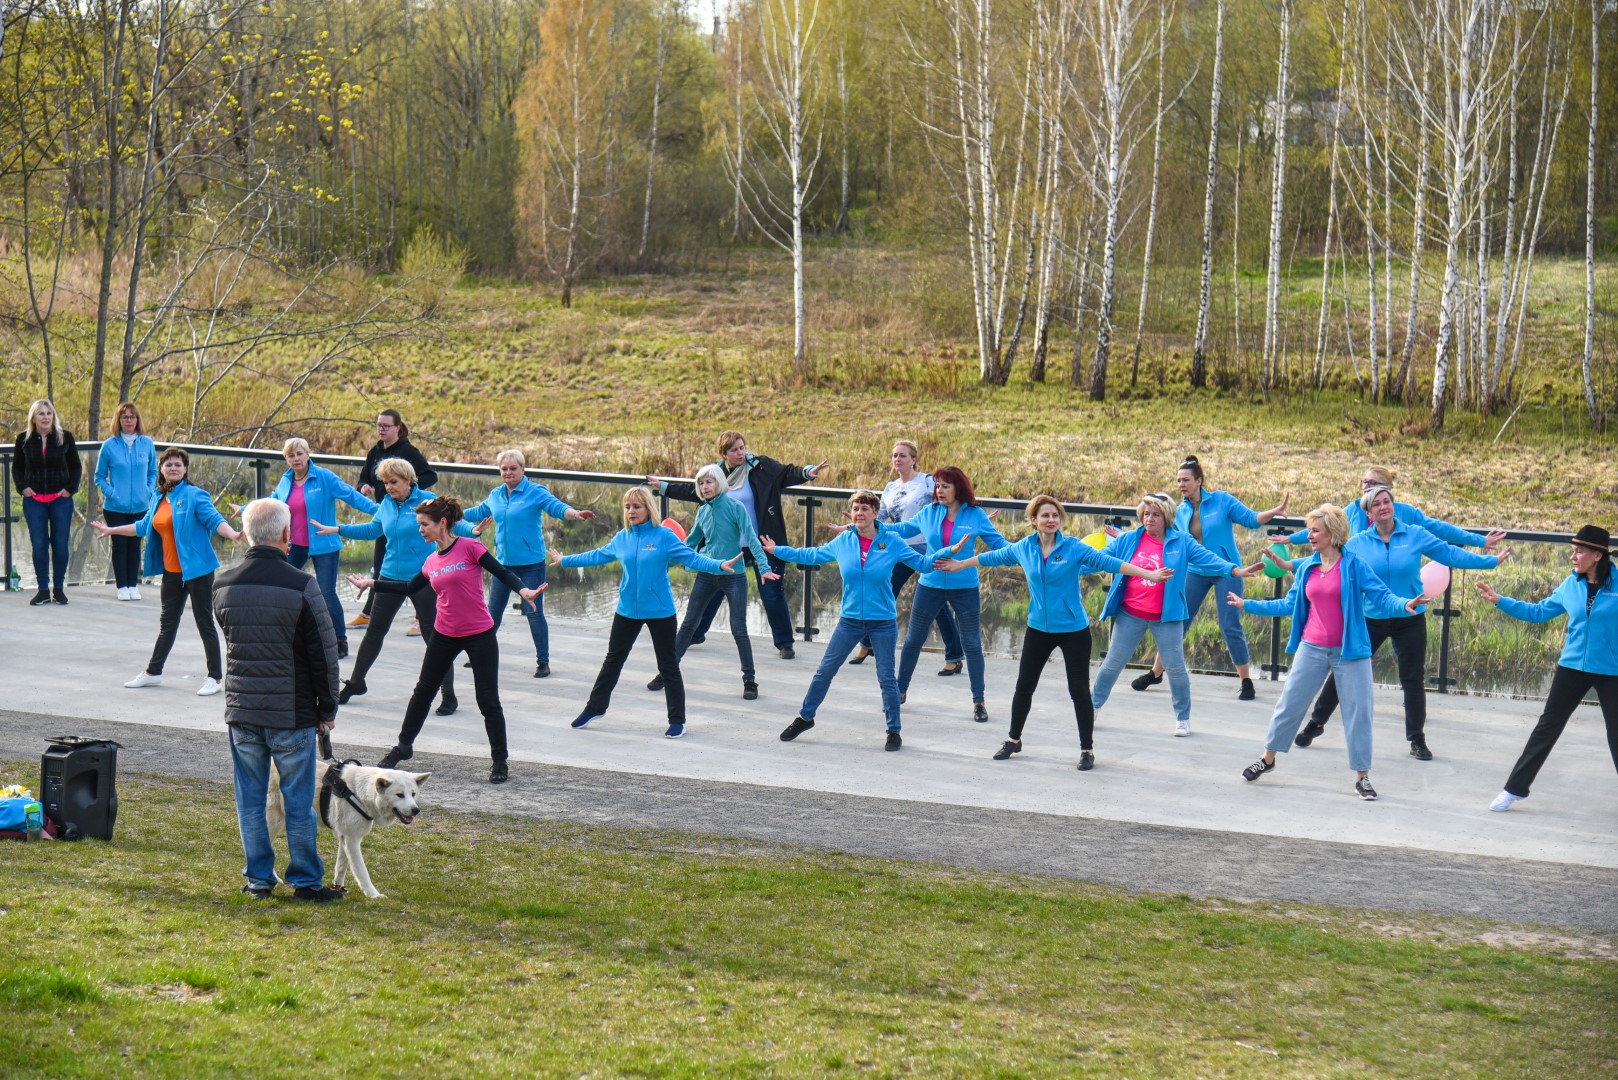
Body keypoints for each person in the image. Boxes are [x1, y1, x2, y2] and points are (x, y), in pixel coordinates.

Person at [935, 495, 1172, 769]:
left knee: (1079, 691)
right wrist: (959, 564)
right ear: (1033, 520)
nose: (1051, 520)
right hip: (1038, 629)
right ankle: (1013, 740)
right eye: (1045, 515)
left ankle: (1087, 749)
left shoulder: (1073, 547)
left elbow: (1110, 563)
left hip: (1073, 630)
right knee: (1024, 687)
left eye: (1055, 515)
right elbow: (991, 557)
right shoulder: (1024, 547)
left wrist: (1149, 574)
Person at [1294, 484, 1509, 761]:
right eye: (1377, 504)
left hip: (1410, 618)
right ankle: (1316, 723)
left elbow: (1450, 554)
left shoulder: (1415, 534)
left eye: (1387, 501)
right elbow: (1326, 556)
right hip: (1371, 618)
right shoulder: (1358, 543)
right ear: (1369, 513)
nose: (1383, 507)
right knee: (1344, 669)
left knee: (1413, 678)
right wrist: (1291, 565)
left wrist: (1490, 561)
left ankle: (1417, 739)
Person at [1226, 504, 1423, 802]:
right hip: (1312, 647)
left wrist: (1404, 604)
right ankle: (1267, 759)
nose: (1310, 535)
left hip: (1350, 652)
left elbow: (1382, 596)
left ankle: (1362, 777)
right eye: (1310, 530)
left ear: (1333, 533)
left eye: (1315, 530)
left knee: (1358, 713)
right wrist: (1247, 604)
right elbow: (1288, 604)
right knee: (1289, 704)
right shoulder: (1307, 567)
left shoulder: (1354, 565)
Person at [351, 497, 544, 783]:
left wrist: (523, 590)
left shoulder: (470, 547)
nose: (420, 530)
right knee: (422, 693)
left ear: (442, 523)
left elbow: (502, 572)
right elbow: (408, 587)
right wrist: (372, 583)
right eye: (419, 525)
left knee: (488, 700)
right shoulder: (431, 561)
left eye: (424, 525)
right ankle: (403, 747)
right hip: (444, 634)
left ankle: (499, 760)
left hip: (479, 634)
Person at [212, 498, 344, 902]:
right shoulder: (302, 584)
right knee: (298, 801)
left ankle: (258, 879)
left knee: (250, 800)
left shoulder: (222, 583)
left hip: (242, 709)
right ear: (287, 534)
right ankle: (305, 881)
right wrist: (328, 708)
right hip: (291, 711)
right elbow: (324, 654)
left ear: (246, 533)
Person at [554, 486, 740, 738]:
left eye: (636, 506)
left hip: (660, 611)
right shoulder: (623, 538)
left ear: (648, 508)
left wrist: (718, 564)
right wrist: (566, 560)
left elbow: (692, 558)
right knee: (612, 661)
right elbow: (598, 555)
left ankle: (677, 721)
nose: (631, 511)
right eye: (627, 507)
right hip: (627, 611)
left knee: (668, 665)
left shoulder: (664, 536)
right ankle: (595, 708)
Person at [768, 491, 928, 751]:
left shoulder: (892, 541)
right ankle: (805, 717)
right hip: (850, 621)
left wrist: (952, 553)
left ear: (875, 513)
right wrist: (778, 551)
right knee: (825, 670)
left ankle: (893, 731)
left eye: (865, 509)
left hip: (883, 622)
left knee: (887, 678)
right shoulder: (843, 541)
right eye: (855, 509)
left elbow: (923, 563)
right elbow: (811, 555)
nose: (859, 513)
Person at [1090, 494, 1260, 737]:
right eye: (1146, 514)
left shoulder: (1182, 541)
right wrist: (1069, 563)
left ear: (1167, 517)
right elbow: (1099, 558)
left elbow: (1208, 559)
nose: (1149, 519)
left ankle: (1182, 718)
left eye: (1155, 515)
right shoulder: (1129, 539)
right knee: (1113, 663)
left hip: (1166, 617)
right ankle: (1092, 707)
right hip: (1131, 614)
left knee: (1176, 668)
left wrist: (1234, 570)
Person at [649, 430, 829, 659]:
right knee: (714, 588)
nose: (741, 453)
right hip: (729, 546)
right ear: (723, 454)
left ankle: (785, 643)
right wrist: (664, 486)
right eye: (734, 450)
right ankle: (696, 633)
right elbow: (695, 491)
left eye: (742, 448)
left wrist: (808, 472)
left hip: (763, 542)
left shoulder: (761, 467)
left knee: (772, 592)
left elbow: (786, 473)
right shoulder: (716, 475)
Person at [1478, 525, 1618, 813]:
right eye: (1572, 551)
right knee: (1547, 728)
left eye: (1579, 552)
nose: (1573, 557)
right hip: (1572, 666)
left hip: (1611, 670)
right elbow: (1538, 612)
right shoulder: (1570, 585)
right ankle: (1514, 789)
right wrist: (1500, 601)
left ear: (1597, 555)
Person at [1132, 455, 1288, 700]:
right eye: (1178, 480)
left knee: (1229, 624)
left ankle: (1246, 680)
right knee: (1178, 621)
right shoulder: (1179, 511)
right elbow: (1160, 533)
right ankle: (1156, 672)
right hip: (1195, 571)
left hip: (1227, 570)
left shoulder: (1222, 501)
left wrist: (1274, 511)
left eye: (1186, 480)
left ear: (1199, 481)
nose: (1181, 485)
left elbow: (1251, 519)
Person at [93, 447, 243, 696]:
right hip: (171, 572)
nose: (173, 468)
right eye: (169, 464)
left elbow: (214, 520)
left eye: (178, 465)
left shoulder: (195, 495)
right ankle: (153, 672)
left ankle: (215, 677)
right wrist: (112, 530)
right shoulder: (158, 497)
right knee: (167, 623)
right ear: (161, 469)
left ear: (185, 470)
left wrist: (233, 534)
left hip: (198, 571)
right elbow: (143, 526)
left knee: (204, 622)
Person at [314, 457, 459, 714]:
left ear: (408, 480)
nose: (388, 487)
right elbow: (372, 530)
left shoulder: (427, 501)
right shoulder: (387, 505)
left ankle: (449, 694)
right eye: (385, 482)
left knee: (434, 637)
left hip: (423, 577)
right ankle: (356, 683)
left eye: (393, 482)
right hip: (390, 576)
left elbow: (452, 525)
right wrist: (337, 529)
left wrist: (473, 532)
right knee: (374, 632)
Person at [883, 465, 1007, 722]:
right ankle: (899, 691)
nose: (939, 490)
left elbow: (999, 546)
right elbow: (904, 529)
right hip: (930, 585)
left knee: (972, 643)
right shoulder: (929, 512)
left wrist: (1028, 549)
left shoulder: (975, 515)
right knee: (913, 639)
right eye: (937, 486)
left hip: (965, 588)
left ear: (958, 488)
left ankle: (979, 701)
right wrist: (870, 526)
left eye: (945, 486)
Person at [462, 449, 594, 679]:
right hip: (501, 565)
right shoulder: (496, 495)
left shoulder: (535, 491)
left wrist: (574, 514)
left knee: (534, 613)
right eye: (504, 469)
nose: (508, 472)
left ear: (523, 469)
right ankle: (480, 655)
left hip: (531, 565)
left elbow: (556, 507)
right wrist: (445, 512)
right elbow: (476, 512)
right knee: (492, 612)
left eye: (513, 468)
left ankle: (543, 662)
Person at [648, 463, 776, 700]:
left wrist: (764, 567)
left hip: (734, 576)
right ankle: (666, 673)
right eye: (701, 483)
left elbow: (751, 539)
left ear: (719, 482)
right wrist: (663, 564)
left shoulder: (735, 507)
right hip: (707, 573)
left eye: (709, 482)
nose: (705, 486)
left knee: (739, 629)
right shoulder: (703, 511)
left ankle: (750, 681)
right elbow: (690, 543)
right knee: (688, 624)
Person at [848, 440, 962, 669]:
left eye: (902, 455)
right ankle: (868, 643)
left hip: (925, 547)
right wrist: (858, 525)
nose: (897, 459)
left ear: (914, 459)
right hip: (897, 547)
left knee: (935, 600)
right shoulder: (891, 487)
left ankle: (954, 656)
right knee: (881, 590)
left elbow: (951, 499)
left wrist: (969, 517)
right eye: (894, 455)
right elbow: (880, 518)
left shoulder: (927, 481)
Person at [269, 438, 377, 660]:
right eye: (291, 456)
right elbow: (271, 503)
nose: (296, 459)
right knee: (282, 588)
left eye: (300, 454)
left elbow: (351, 496)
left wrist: (379, 510)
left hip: (324, 544)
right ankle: (286, 637)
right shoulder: (286, 481)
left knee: (327, 593)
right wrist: (246, 509)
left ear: (308, 455)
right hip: (294, 546)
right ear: (286, 459)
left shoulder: (324, 477)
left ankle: (340, 641)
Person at [350, 410, 438, 630]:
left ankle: (422, 618)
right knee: (381, 567)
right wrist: (364, 486)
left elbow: (430, 475)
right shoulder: (375, 452)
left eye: (386, 426)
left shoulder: (407, 451)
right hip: (386, 515)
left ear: (397, 428)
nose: (381, 429)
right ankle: (369, 613)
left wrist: (410, 492)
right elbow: (364, 477)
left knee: (416, 568)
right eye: (378, 425)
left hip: (408, 518)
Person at [1285, 465, 1505, 551]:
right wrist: (1289, 538)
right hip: (1361, 587)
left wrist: (1480, 540)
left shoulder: (1405, 513)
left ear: (1387, 489)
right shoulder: (1354, 509)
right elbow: (1323, 526)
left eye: (1372, 483)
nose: (1365, 487)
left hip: (1397, 587)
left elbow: (1440, 529)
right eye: (1364, 482)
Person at [13, 399, 81, 606]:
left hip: (60, 500)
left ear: (53, 416)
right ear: (33, 418)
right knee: (39, 544)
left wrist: (70, 489)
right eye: (41, 414)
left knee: (60, 544)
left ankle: (58, 589)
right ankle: (43, 590)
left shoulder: (65, 437)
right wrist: (23, 488)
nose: (45, 417)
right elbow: (17, 468)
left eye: (49, 413)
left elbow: (76, 467)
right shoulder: (23, 439)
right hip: (34, 501)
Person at [94, 401, 157, 600]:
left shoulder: (147, 444)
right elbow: (99, 476)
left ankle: (133, 585)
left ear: (137, 420)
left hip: (140, 505)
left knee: (135, 545)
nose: (129, 420)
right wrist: (112, 493)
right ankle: (122, 586)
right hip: (115, 507)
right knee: (120, 545)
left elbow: (153, 472)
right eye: (124, 417)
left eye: (132, 417)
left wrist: (148, 491)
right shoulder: (109, 446)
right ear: (119, 420)